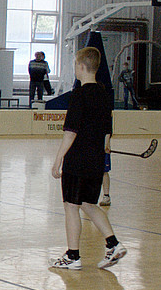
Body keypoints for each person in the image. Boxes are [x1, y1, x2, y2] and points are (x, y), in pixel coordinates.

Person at [49, 46, 126, 270]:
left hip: (77, 161)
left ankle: (72, 257)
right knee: (88, 204)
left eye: (75, 65)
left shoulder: (79, 95)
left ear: (81, 67)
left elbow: (70, 132)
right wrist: (105, 144)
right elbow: (106, 129)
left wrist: (58, 160)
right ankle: (113, 244)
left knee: (71, 206)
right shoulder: (104, 94)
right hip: (96, 161)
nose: (75, 68)